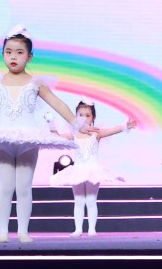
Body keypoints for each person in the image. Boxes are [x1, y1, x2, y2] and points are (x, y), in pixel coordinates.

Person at [0, 27, 79, 243]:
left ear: (29, 57)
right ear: (2, 55)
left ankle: (23, 232)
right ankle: (2, 232)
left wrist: (77, 124)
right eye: (9, 52)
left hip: (28, 140)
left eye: (19, 52)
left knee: (24, 187)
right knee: (6, 186)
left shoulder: (36, 83)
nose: (13, 57)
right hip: (3, 140)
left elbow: (58, 104)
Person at [53, 100, 135, 236]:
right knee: (78, 201)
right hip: (77, 171)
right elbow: (57, 138)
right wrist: (51, 125)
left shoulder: (97, 133)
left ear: (93, 117)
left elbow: (113, 130)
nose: (84, 118)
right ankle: (78, 229)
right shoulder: (73, 134)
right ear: (75, 117)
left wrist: (125, 126)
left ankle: (92, 229)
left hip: (93, 171)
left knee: (91, 200)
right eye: (80, 115)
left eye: (87, 115)